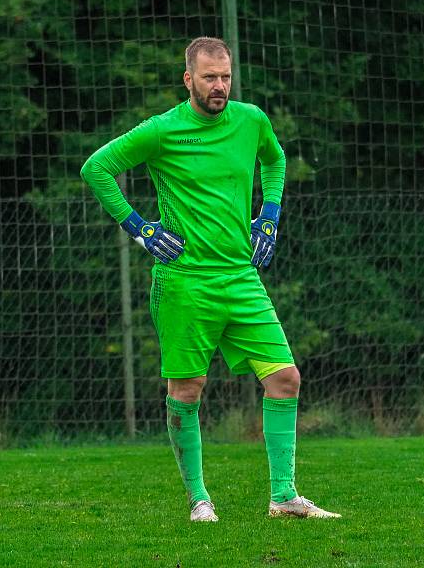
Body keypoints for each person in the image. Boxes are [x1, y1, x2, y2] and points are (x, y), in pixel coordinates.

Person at [80, 37, 341, 522]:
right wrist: (139, 228)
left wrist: (270, 214)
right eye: (209, 78)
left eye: (225, 76)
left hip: (241, 276)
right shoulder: (162, 131)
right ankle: (200, 500)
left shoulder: (251, 119)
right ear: (189, 80)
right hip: (184, 281)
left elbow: (275, 159)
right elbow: (96, 168)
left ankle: (283, 497)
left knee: (285, 378)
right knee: (188, 389)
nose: (220, 86)